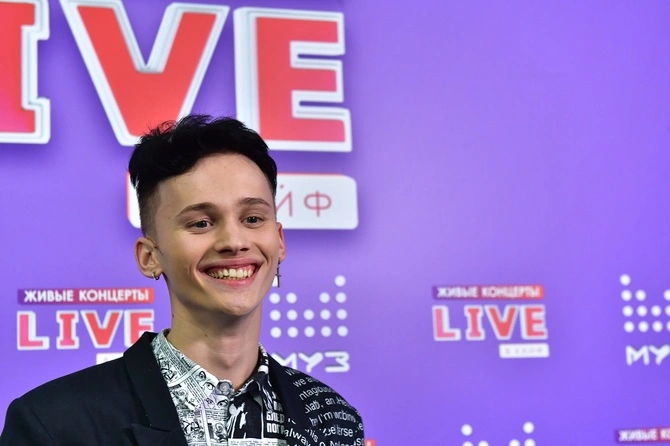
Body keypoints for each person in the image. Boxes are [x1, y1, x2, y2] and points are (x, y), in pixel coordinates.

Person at [0, 115, 364, 446]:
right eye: (201, 223)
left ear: (279, 242)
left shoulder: (333, 418)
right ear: (150, 256)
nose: (234, 241)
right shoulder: (54, 425)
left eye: (253, 219)